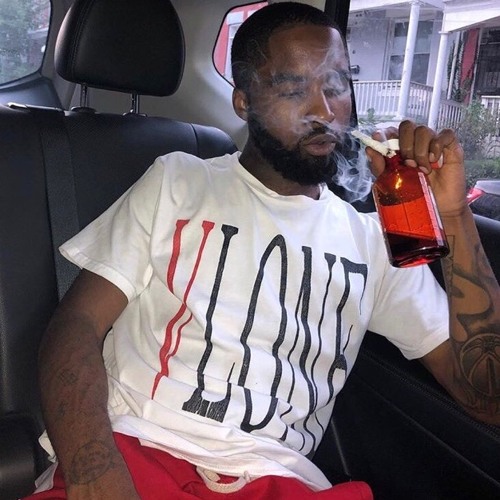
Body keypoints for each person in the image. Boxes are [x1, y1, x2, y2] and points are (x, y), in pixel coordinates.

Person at [25, 2, 500, 499]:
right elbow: (76, 325)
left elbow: (487, 399)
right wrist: (93, 472)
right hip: (140, 451)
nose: (323, 111)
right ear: (243, 102)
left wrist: (453, 216)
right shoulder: (178, 181)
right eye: (293, 89)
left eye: (336, 85)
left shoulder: (373, 241)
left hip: (280, 482)